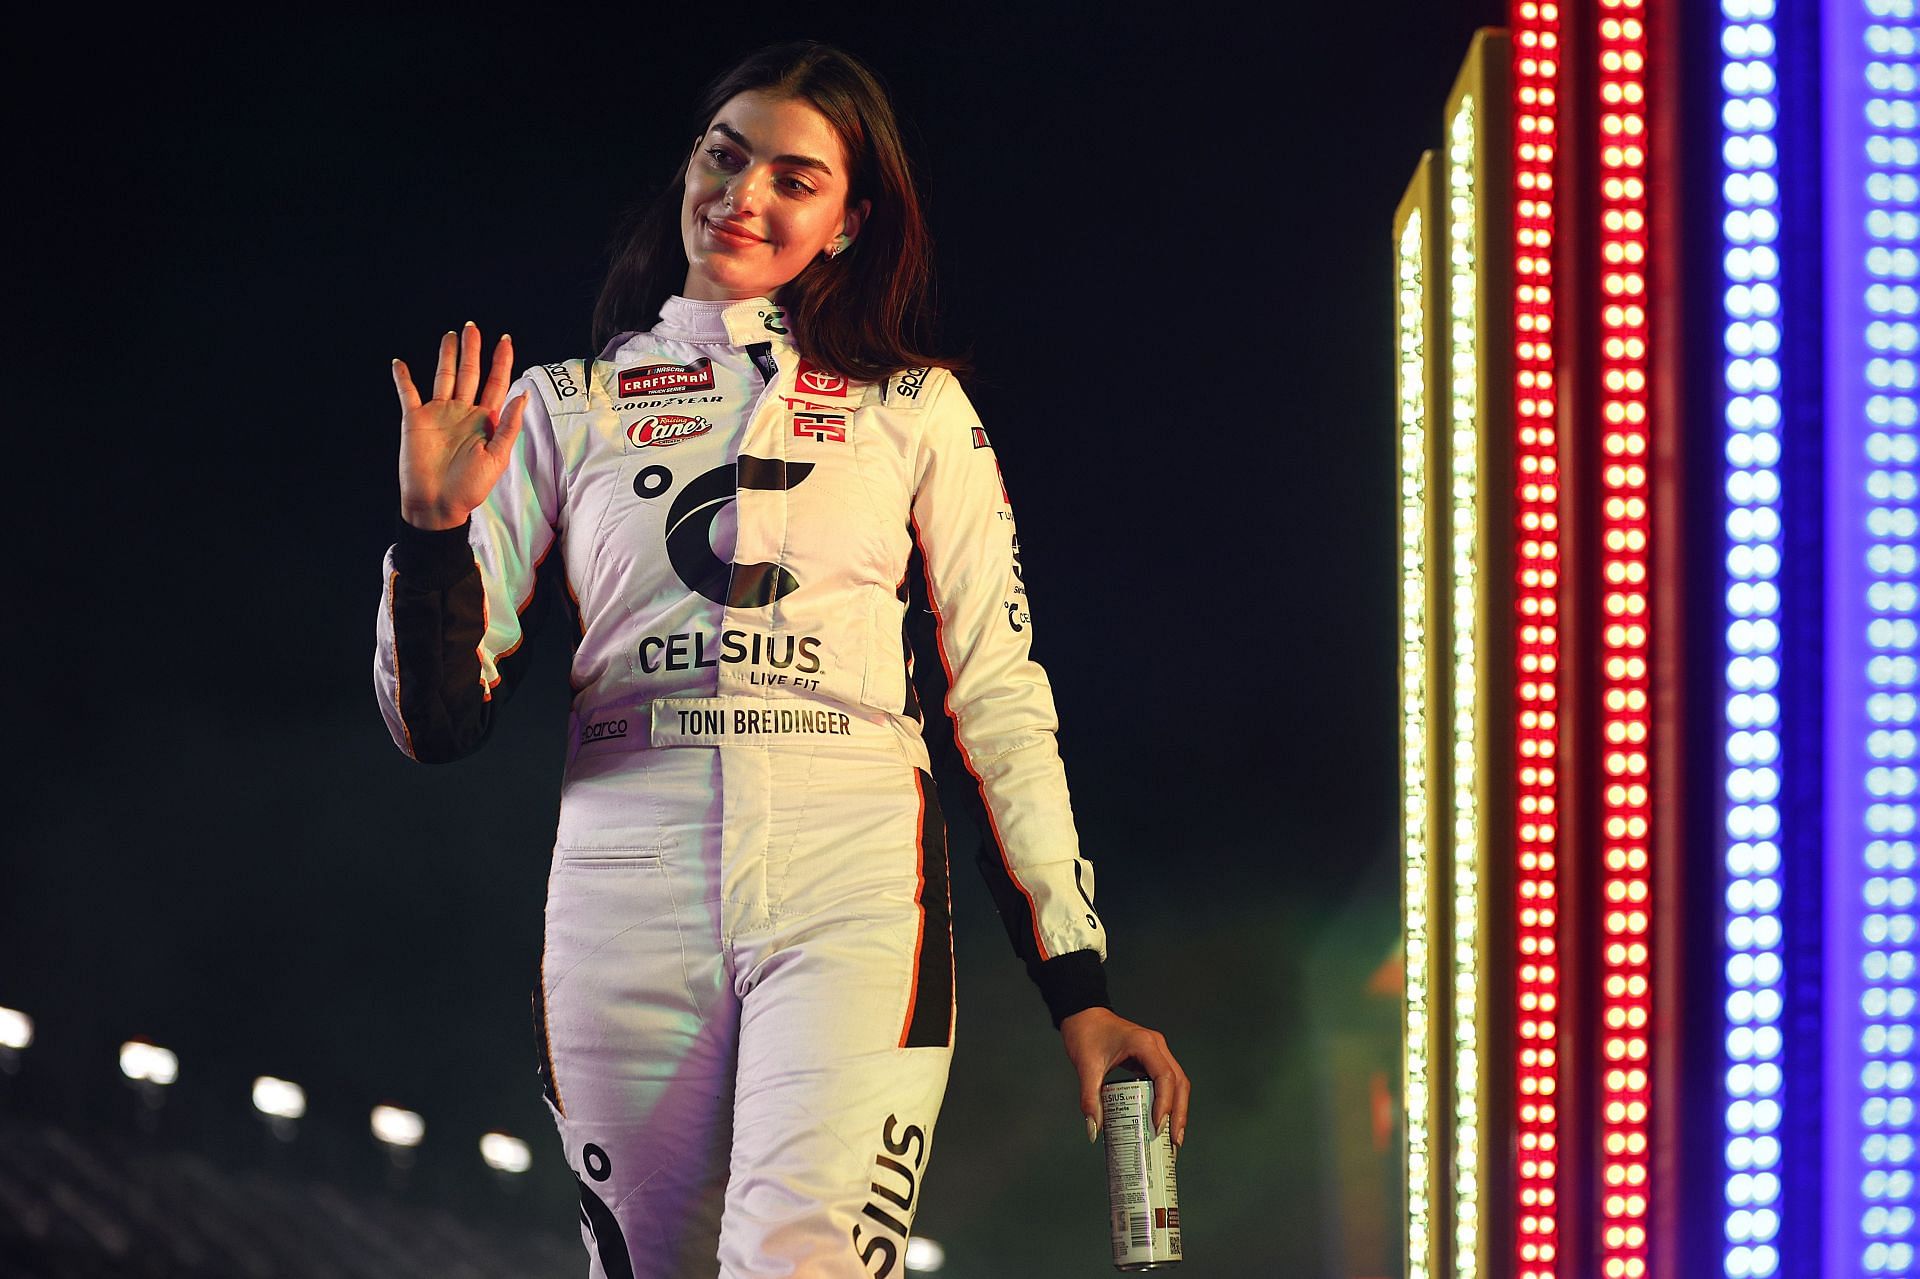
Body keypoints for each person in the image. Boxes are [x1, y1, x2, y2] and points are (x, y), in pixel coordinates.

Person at [372, 40, 1188, 1279]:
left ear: (851, 221)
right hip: (621, 874)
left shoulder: (914, 407)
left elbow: (1001, 701)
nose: (743, 193)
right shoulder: (562, 404)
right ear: (688, 166)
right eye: (724, 153)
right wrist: (433, 535)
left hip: (852, 870)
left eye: (794, 179)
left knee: (799, 1261)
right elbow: (433, 723)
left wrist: (1080, 982)